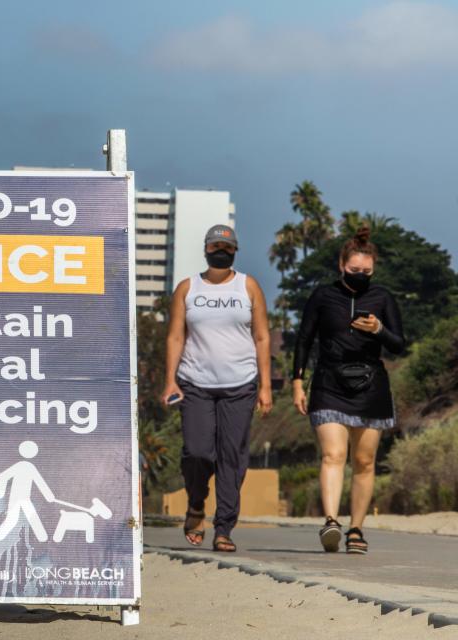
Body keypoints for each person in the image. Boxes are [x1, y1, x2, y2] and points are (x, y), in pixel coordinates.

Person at [292, 226, 404, 554]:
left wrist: (379, 329)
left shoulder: (383, 297)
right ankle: (331, 521)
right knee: (333, 454)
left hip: (371, 386)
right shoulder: (323, 296)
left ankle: (356, 529)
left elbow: (398, 344)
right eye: (354, 270)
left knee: (365, 460)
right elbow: (304, 339)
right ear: (342, 265)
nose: (360, 276)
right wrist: (297, 382)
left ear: (374, 270)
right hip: (329, 382)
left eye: (366, 272)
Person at [162, 225, 273, 552]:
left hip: (240, 384)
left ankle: (224, 527)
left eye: (227, 246)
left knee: (232, 458)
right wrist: (169, 380)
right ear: (206, 250)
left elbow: (263, 337)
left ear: (235, 251)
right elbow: (175, 337)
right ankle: (196, 502)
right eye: (215, 245)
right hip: (195, 383)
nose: (220, 250)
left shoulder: (248, 286)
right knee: (197, 452)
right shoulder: (188, 288)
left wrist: (266, 386)